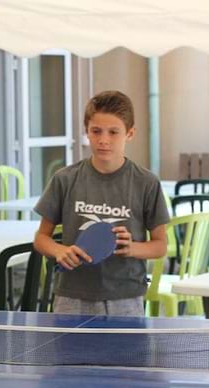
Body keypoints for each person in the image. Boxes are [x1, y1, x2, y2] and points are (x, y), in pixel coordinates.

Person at [34, 90, 169, 316]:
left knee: (123, 353)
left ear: (130, 133)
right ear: (87, 132)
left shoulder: (146, 183)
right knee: (69, 353)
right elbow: (41, 238)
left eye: (113, 132)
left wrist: (132, 248)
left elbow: (160, 246)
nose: (103, 140)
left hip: (125, 297)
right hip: (71, 295)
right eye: (96, 131)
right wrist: (59, 251)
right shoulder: (65, 179)